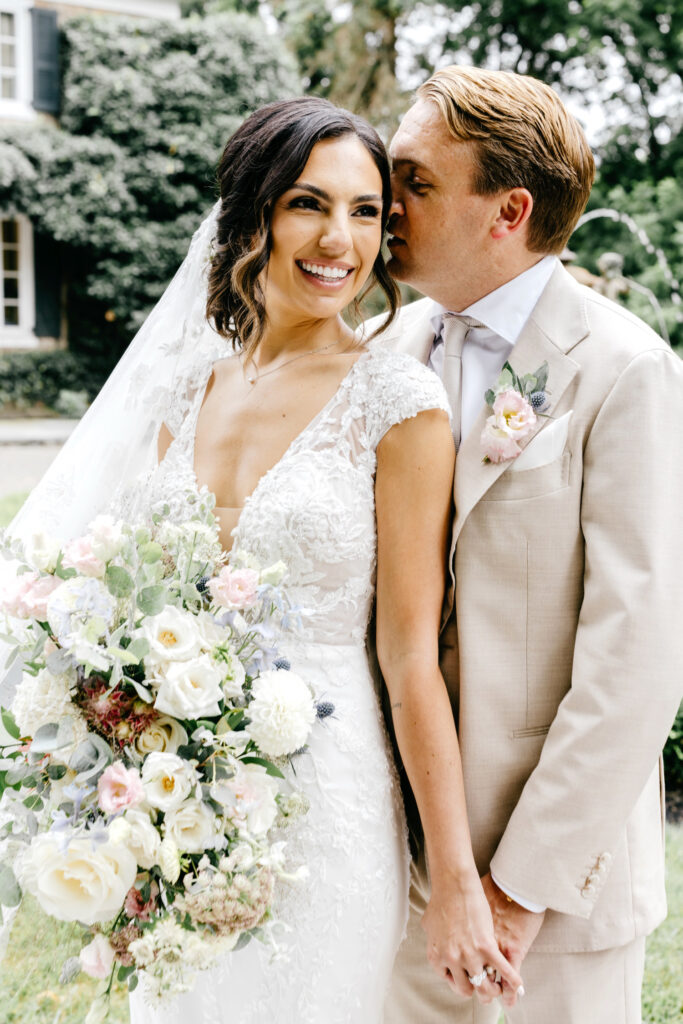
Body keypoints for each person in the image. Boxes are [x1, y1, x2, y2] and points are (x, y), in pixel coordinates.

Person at [0, 97, 522, 1020]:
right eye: (307, 204)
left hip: (328, 800)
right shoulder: (183, 381)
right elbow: (121, 580)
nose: (339, 240)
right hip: (167, 799)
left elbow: (409, 660)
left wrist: (453, 879)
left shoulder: (396, 404)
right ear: (253, 212)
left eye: (367, 212)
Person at [362, 66, 683, 1024]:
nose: (386, 204)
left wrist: (520, 885)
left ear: (507, 210)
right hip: (399, 866)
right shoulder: (385, 350)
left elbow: (639, 655)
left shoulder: (624, 369)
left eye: (415, 182)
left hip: (553, 892)